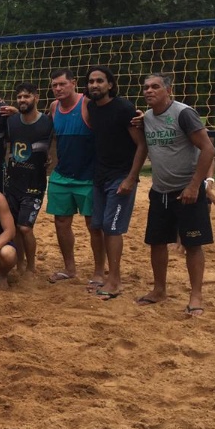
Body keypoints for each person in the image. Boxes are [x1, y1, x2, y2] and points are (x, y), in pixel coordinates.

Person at [138, 73, 215, 317]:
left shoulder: (184, 113)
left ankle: (196, 296)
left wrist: (196, 186)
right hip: (160, 190)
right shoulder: (147, 117)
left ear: (168, 91)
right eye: (146, 88)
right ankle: (159, 290)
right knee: (157, 242)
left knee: (193, 244)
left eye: (155, 87)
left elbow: (208, 148)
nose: (149, 91)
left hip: (186, 191)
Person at [85, 65, 147, 300]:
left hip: (120, 177)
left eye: (100, 81)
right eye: (91, 81)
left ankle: (116, 280)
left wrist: (131, 178)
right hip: (100, 176)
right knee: (98, 225)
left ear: (110, 84)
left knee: (112, 229)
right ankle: (104, 276)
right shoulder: (92, 106)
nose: (95, 85)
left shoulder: (123, 108)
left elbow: (142, 145)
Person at [45, 69, 105, 289]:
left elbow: (110, 125)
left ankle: (99, 272)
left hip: (88, 176)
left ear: (73, 83)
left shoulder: (88, 104)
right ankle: (69, 269)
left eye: (62, 84)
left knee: (94, 226)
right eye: (54, 85)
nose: (58, 89)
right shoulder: (54, 107)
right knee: (61, 222)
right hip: (62, 174)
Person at [4, 82, 53, 278]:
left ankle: (31, 266)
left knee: (25, 227)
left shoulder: (48, 122)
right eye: (20, 97)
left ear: (36, 97)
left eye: (27, 96)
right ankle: (20, 263)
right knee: (15, 226)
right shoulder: (12, 121)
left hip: (35, 184)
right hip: (13, 181)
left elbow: (56, 143)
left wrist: (51, 161)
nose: (23, 100)